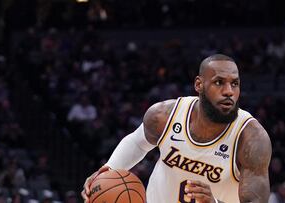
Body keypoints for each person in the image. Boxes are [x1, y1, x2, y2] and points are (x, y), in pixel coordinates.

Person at [82, 54, 272, 203]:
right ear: (199, 84)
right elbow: (138, 143)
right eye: (219, 82)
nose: (229, 91)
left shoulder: (251, 139)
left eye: (235, 83)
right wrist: (108, 170)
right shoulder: (164, 116)